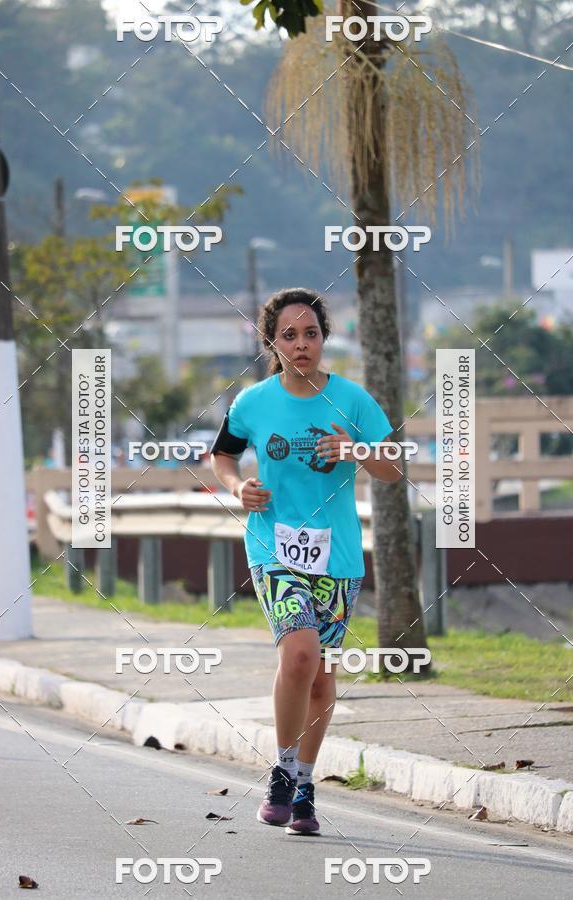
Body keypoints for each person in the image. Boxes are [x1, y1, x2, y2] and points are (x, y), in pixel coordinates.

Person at [209, 287, 402, 836]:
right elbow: (223, 454)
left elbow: (393, 468)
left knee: (321, 678)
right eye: (289, 335)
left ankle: (306, 787)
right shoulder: (252, 402)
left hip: (337, 557)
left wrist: (356, 451)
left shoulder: (353, 401)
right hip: (273, 547)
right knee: (299, 655)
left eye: (311, 334)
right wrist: (235, 486)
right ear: (272, 341)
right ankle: (283, 770)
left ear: (324, 338)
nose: (301, 344)